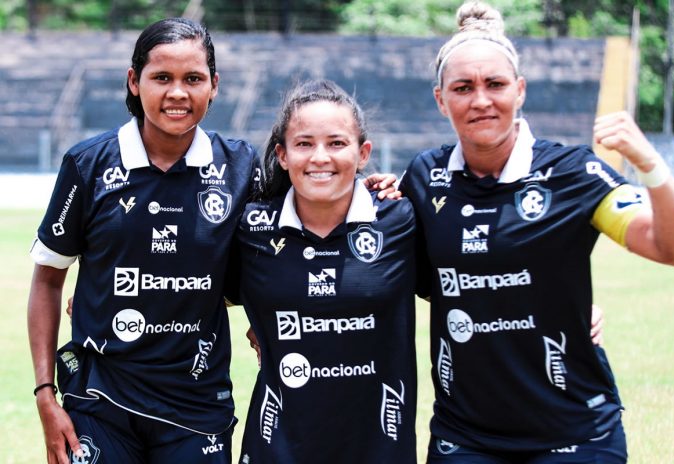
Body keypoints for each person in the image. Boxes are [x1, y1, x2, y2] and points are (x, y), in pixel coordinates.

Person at [398, 2, 674, 463]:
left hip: (575, 430)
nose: (481, 100)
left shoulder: (574, 172)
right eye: (463, 88)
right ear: (441, 99)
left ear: (519, 91)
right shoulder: (423, 177)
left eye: (495, 84)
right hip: (466, 438)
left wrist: (650, 165)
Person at [27, 18, 258, 464]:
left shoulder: (240, 167)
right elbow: (48, 280)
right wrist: (44, 394)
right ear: (134, 82)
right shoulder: (88, 164)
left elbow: (282, 250)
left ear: (214, 85)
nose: (177, 93)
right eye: (161, 78)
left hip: (197, 405)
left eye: (193, 78)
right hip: (100, 402)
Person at [226, 79, 425, 463]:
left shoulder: (400, 218)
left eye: (336, 143)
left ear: (363, 152)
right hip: (278, 448)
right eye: (304, 144)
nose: (320, 157)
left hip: (379, 449)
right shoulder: (251, 228)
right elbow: (193, 284)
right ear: (283, 155)